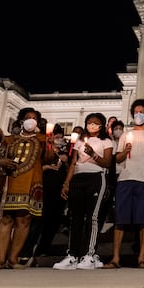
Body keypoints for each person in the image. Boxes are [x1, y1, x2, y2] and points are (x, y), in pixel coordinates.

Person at [102, 99, 144, 269]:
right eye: (136, 112)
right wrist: (125, 151)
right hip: (125, 179)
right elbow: (118, 158)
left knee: (143, 220)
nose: (138, 115)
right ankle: (115, 258)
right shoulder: (126, 135)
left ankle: (141, 257)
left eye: (141, 112)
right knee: (120, 219)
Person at [53, 113, 113, 270]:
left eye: (96, 122)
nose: (92, 125)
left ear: (102, 125)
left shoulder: (106, 141)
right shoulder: (79, 141)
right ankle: (72, 255)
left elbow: (107, 162)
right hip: (78, 179)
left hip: (96, 178)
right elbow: (73, 162)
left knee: (93, 217)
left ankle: (89, 255)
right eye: (89, 122)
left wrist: (93, 153)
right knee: (76, 217)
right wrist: (66, 183)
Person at [0, 107, 45, 269]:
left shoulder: (43, 139)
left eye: (34, 118)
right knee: (6, 218)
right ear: (21, 120)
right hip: (10, 182)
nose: (30, 120)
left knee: (24, 219)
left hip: (31, 183)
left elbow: (49, 158)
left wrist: (51, 142)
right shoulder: (9, 139)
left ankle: (13, 258)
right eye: (28, 117)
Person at [33, 124, 70, 259]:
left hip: (60, 189)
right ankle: (30, 247)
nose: (59, 139)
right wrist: (47, 166)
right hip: (45, 187)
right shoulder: (45, 149)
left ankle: (43, 247)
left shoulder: (67, 152)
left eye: (61, 137)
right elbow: (37, 165)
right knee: (40, 218)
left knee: (54, 220)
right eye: (56, 136)